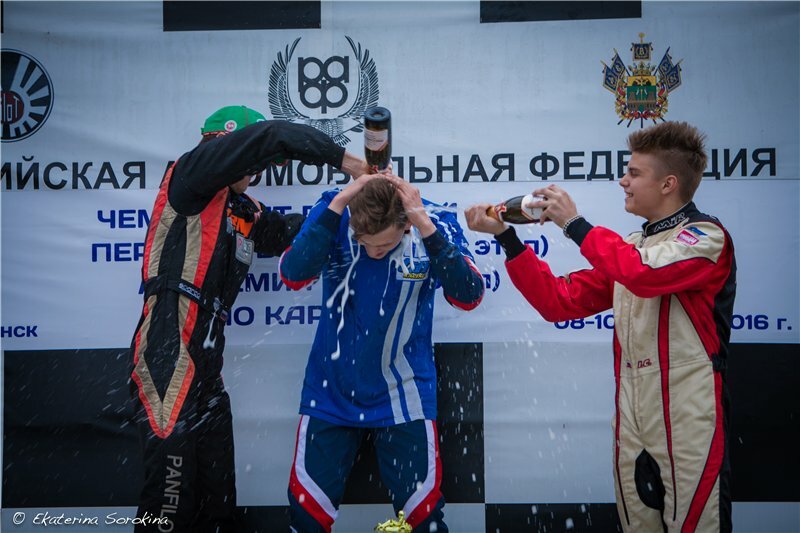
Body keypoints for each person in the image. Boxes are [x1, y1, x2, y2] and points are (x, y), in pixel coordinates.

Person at [466, 121, 736, 532]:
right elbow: (557, 301)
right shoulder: (630, 247)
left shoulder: (705, 236)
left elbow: (643, 274)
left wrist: (574, 223)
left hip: (689, 416)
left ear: (668, 184)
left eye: (634, 173)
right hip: (631, 418)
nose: (623, 181)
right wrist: (506, 237)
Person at [129, 105, 369, 532]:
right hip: (169, 350)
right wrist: (351, 164)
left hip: (206, 364)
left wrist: (354, 211)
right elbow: (272, 135)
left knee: (219, 495)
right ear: (227, 145)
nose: (256, 175)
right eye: (255, 165)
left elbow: (294, 233)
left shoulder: (242, 209)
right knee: (170, 497)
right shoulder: (192, 173)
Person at [279, 174, 485, 532]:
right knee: (306, 518)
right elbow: (293, 275)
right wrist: (337, 205)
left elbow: (469, 296)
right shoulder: (334, 209)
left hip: (404, 395)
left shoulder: (433, 219)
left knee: (423, 521)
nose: (374, 252)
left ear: (406, 225)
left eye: (385, 245)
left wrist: (427, 229)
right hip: (331, 392)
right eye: (365, 244)